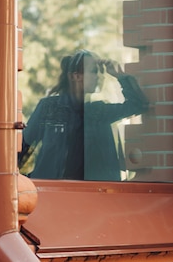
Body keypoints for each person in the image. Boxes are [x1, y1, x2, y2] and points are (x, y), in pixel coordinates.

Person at [19, 49, 148, 181]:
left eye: (100, 71)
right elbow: (23, 148)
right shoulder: (49, 107)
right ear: (76, 76)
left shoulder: (98, 111)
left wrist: (119, 75)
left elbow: (137, 105)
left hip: (90, 193)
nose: (99, 76)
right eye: (94, 71)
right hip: (51, 190)